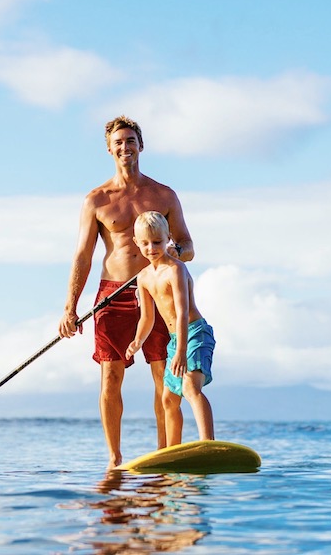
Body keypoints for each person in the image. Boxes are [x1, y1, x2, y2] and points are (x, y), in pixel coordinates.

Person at [59, 115, 195, 469]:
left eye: (130, 140)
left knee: (164, 373)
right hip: (112, 294)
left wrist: (169, 254)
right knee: (111, 375)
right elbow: (83, 255)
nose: (125, 147)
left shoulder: (164, 195)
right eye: (118, 142)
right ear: (109, 149)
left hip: (157, 290)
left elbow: (188, 245)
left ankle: (166, 452)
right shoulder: (97, 200)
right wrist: (69, 308)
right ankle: (115, 458)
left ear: (141, 145)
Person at [126, 211, 215, 446]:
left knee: (189, 387)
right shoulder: (143, 277)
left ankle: (208, 443)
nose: (151, 248)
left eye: (157, 242)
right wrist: (137, 341)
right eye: (145, 243)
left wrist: (181, 352)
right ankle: (172, 451)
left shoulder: (175, 269)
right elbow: (147, 318)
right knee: (168, 399)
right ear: (136, 242)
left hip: (194, 333)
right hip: (176, 340)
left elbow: (182, 311)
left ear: (168, 239)